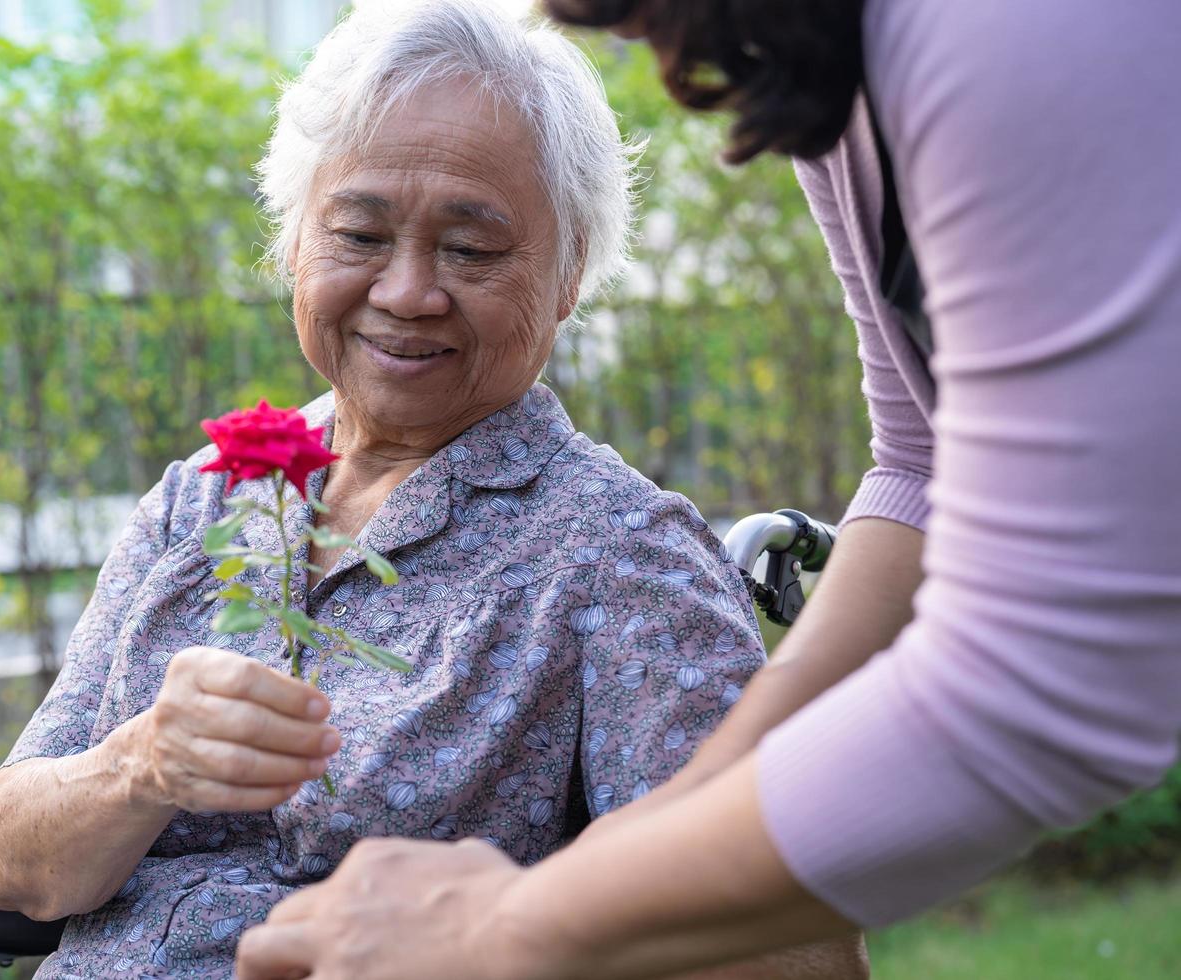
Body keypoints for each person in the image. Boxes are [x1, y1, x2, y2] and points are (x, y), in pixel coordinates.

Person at [234, 0, 1181, 977]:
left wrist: (515, 922)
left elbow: (1052, 673)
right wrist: (681, 817)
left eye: (472, 248)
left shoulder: (1016, 31)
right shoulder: (841, 94)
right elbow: (919, 466)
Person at [0, 2, 865, 976]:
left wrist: (512, 931)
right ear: (293, 244)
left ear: (569, 274)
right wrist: (141, 762)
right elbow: (15, 863)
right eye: (359, 232)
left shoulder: (617, 554)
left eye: (471, 249)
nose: (407, 291)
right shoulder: (206, 499)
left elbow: (796, 944)